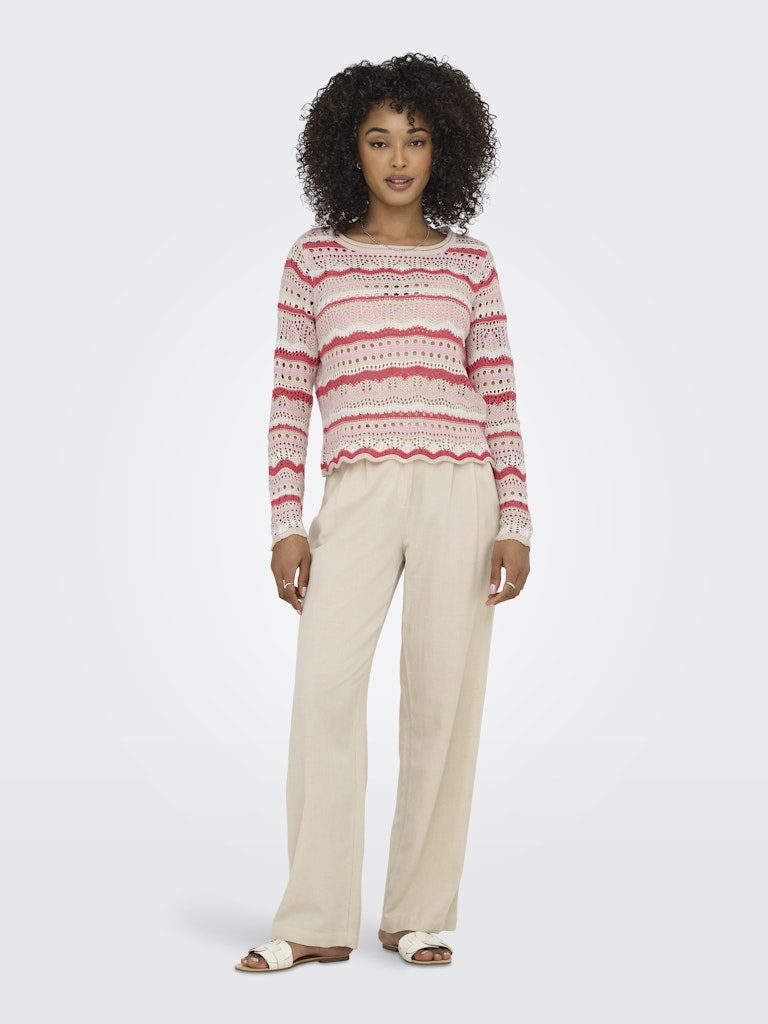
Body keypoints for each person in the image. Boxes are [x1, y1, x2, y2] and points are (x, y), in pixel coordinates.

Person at [236, 52, 532, 973]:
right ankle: (317, 917)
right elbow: (289, 399)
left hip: (461, 488)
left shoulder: (471, 263)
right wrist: (286, 520)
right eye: (378, 140)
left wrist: (515, 521)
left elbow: (499, 395)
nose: (398, 158)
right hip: (356, 491)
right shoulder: (314, 259)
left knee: (443, 700)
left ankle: (417, 914)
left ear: (446, 148)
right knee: (325, 694)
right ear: (347, 149)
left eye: (417, 138)